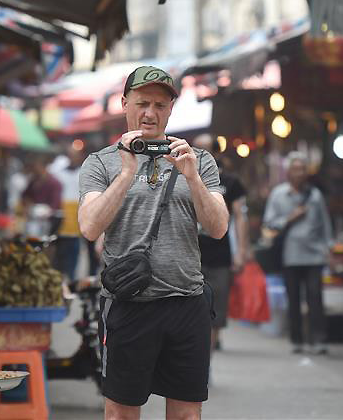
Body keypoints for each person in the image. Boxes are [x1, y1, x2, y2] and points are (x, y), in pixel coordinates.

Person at [78, 66, 228, 420]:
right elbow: (89, 226)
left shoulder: (199, 160)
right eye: (142, 102)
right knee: (121, 413)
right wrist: (127, 173)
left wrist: (192, 178)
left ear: (171, 108)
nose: (150, 112)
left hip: (186, 302)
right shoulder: (100, 162)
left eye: (160, 105)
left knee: (187, 414)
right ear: (124, 103)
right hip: (130, 304)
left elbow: (219, 227)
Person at [263, 152, 334, 355]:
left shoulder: (315, 195)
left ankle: (318, 339)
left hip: (314, 254)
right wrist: (289, 219)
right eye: (295, 169)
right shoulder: (278, 194)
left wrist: (328, 248)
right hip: (290, 255)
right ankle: (297, 339)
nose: (299, 173)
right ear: (288, 172)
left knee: (315, 297)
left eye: (303, 169)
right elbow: (269, 223)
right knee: (293, 298)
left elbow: (325, 224)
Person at [192, 134, 248, 355]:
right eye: (197, 149)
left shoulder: (231, 182)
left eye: (206, 150)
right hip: (189, 255)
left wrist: (242, 251)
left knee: (216, 308)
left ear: (216, 152)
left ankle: (207, 361)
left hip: (220, 256)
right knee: (191, 310)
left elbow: (241, 217)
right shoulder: (182, 178)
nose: (201, 155)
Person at [49, 146, 86, 280]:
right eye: (70, 155)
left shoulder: (83, 173)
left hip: (75, 223)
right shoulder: (59, 173)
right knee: (58, 258)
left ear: (80, 157)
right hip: (60, 221)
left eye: (75, 155)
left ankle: (71, 283)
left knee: (73, 258)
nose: (72, 158)